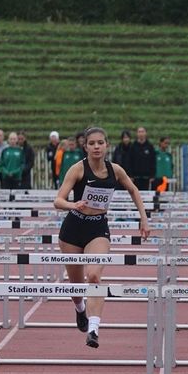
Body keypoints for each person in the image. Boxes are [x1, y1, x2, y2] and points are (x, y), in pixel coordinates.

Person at [52, 127, 150, 349]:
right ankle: (80, 309)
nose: (96, 147)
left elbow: (134, 190)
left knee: (94, 276)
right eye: (92, 143)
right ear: (85, 147)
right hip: (72, 230)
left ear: (107, 145)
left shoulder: (115, 170)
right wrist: (72, 205)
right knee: (76, 287)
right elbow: (58, 200)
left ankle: (94, 329)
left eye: (100, 143)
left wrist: (144, 219)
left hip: (97, 229)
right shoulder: (78, 169)